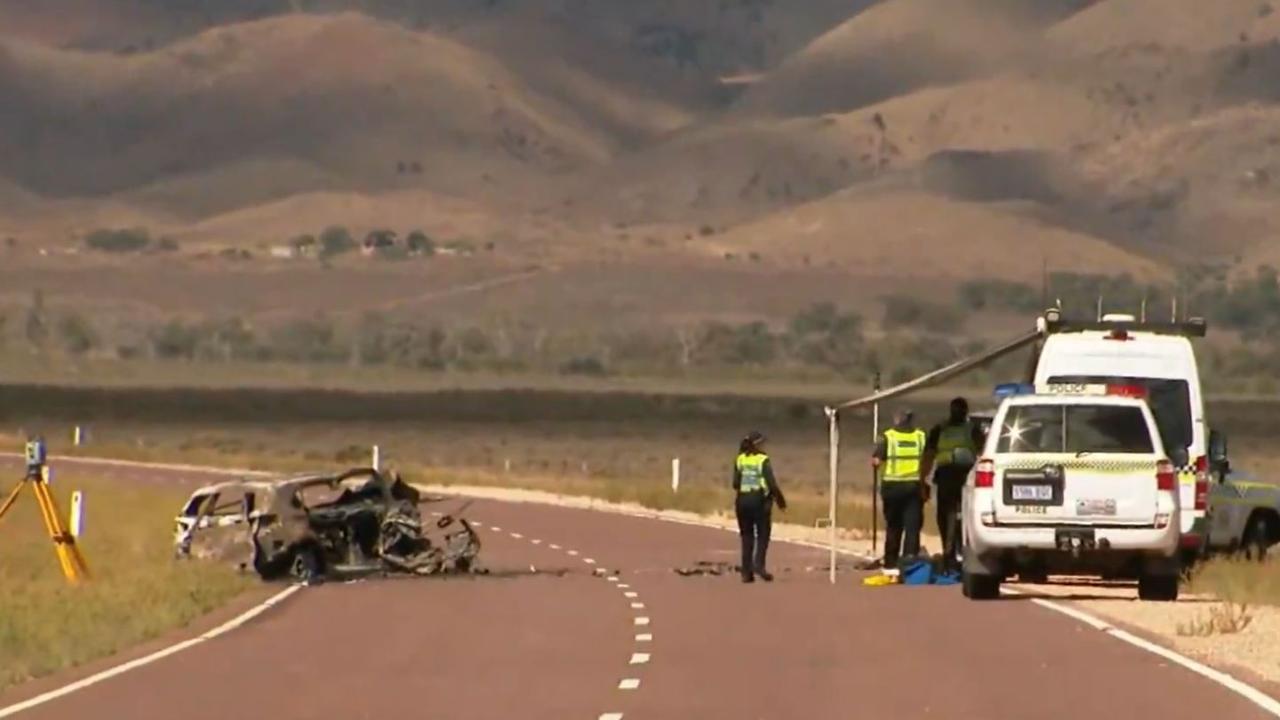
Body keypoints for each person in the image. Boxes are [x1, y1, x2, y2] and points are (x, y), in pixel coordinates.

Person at [921, 397, 983, 572]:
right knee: (949, 516)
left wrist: (922, 479)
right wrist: (922, 479)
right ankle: (952, 553)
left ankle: (955, 552)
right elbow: (929, 455)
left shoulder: (945, 429)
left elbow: (928, 456)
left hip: (959, 476)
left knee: (954, 516)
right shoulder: (966, 429)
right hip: (954, 476)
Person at [872, 410, 927, 570]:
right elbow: (928, 456)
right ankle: (910, 562)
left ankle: (891, 562)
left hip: (892, 486)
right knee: (913, 526)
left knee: (894, 526)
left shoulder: (888, 437)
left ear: (896, 420)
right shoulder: (920, 436)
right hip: (913, 486)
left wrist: (876, 461)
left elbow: (876, 460)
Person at [733, 430, 787, 583]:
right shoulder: (762, 460)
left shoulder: (740, 459)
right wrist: (780, 501)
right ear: (758, 444)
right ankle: (759, 564)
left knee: (746, 536)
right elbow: (771, 483)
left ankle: (746, 572)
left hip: (742, 500)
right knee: (763, 534)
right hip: (758, 500)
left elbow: (735, 483)